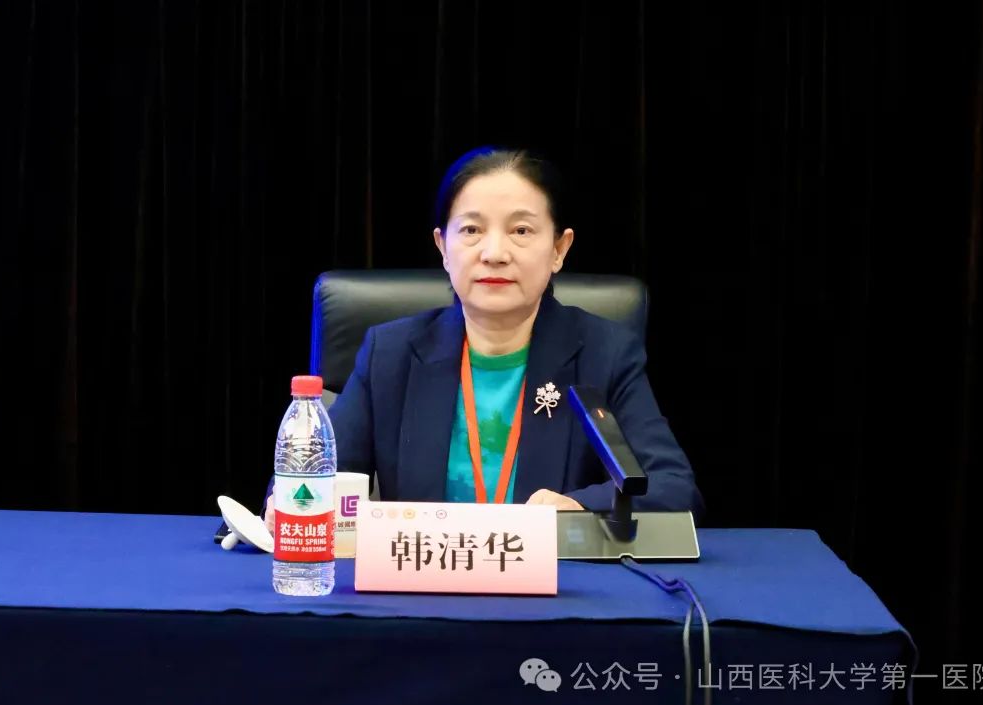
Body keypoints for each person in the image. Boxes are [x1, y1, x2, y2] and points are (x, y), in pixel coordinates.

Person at [265, 147, 703, 533]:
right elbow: (309, 483)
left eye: (521, 231)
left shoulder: (604, 353)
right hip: (422, 585)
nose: (494, 253)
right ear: (443, 247)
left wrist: (577, 508)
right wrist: (289, 506)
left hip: (554, 589)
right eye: (472, 230)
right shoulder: (390, 353)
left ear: (559, 249)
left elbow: (674, 489)